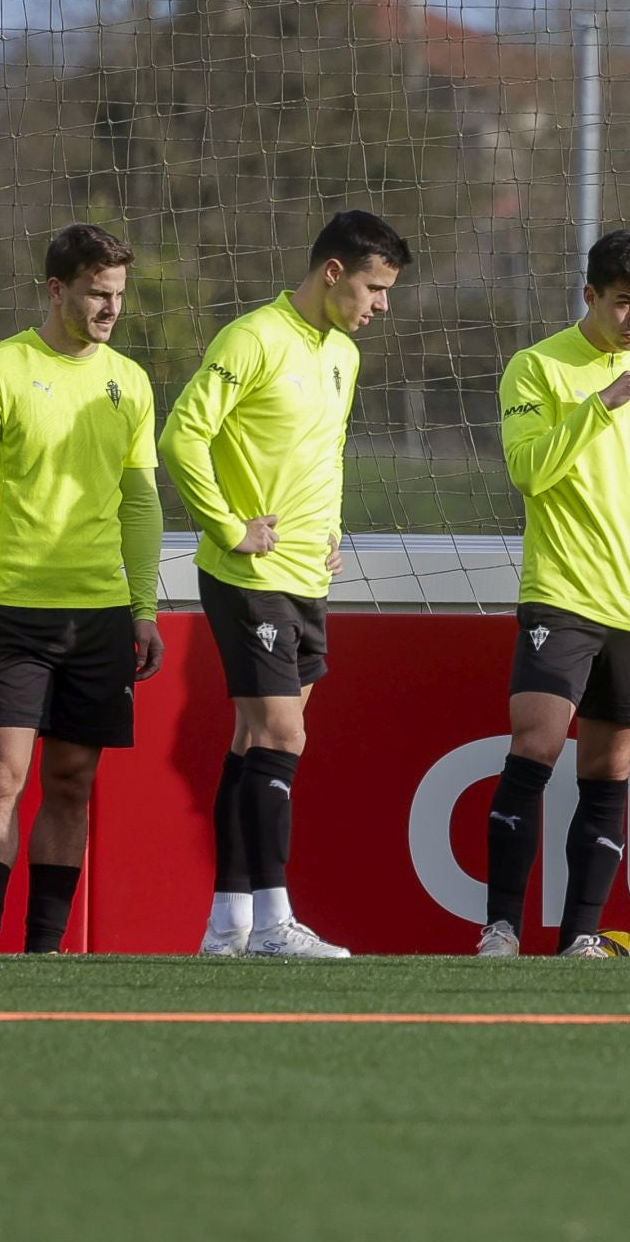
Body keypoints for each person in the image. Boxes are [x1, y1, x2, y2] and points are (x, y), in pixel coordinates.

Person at [160, 210, 411, 959]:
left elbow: (321, 452)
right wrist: (228, 524)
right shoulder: (254, 338)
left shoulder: (342, 354)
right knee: (281, 734)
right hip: (248, 573)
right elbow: (182, 435)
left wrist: (327, 532)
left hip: (305, 573)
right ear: (332, 272)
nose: (382, 304)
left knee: (252, 741)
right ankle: (274, 922)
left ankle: (227, 924)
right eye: (374, 286)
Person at [475, 230, 630, 958]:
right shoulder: (538, 368)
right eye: (624, 305)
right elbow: (529, 472)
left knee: (609, 772)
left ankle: (581, 936)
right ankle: (500, 929)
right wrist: (601, 404)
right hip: (561, 596)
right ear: (591, 296)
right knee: (537, 744)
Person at [0, 223, 163, 955]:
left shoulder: (129, 382)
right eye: (97, 294)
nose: (110, 309)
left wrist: (143, 608)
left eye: (118, 296)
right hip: (10, 610)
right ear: (56, 289)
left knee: (71, 783)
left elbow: (139, 501)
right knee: (3, 776)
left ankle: (44, 952)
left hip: (99, 616)